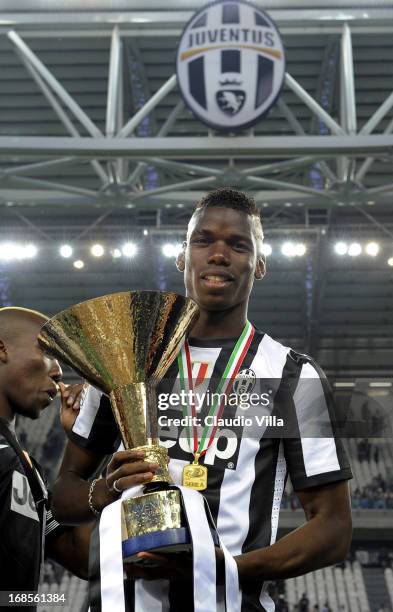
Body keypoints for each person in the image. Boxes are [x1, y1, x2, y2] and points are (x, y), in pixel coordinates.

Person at [52, 188, 353, 611]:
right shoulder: (123, 360)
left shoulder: (293, 375)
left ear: (259, 264)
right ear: (182, 257)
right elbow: (63, 493)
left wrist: (224, 566)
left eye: (238, 244)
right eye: (203, 240)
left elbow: (333, 530)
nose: (218, 254)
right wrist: (103, 490)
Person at [0, 307, 94, 610]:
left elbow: (82, 558)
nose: (57, 371)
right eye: (47, 353)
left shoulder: (25, 467)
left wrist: (83, 440)